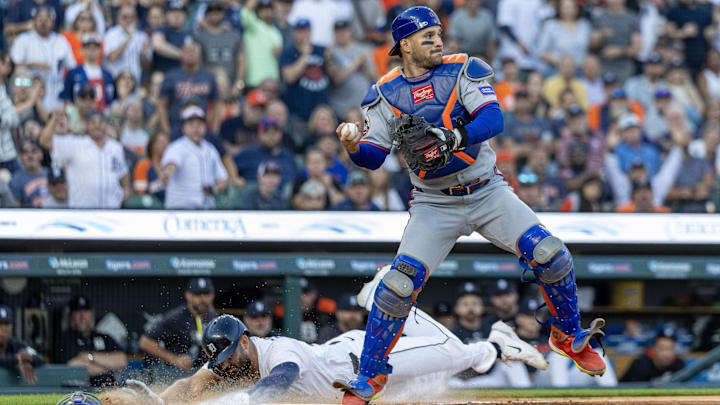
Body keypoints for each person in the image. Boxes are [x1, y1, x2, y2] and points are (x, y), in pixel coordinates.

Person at [333, 7, 606, 403]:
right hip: (433, 202)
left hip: (486, 190)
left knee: (552, 255)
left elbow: (493, 120)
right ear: (404, 45)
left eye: (439, 34)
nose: (438, 41)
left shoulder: (463, 68)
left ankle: (567, 335)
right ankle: (371, 377)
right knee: (395, 287)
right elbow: (374, 156)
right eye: (427, 37)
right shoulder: (383, 93)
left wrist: (452, 137)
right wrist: (354, 145)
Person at [115, 272, 546, 405]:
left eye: (228, 354)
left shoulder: (276, 350)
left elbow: (278, 381)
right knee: (450, 353)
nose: (225, 365)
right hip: (345, 357)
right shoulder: (226, 361)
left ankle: (495, 343)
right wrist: (159, 404)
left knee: (457, 355)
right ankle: (382, 297)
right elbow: (192, 384)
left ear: (244, 341)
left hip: (366, 363)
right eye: (220, 360)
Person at [39, 110, 130, 208]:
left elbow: (122, 172)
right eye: (93, 122)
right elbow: (45, 141)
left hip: (112, 210)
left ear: (106, 125)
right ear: (87, 125)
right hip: (82, 211)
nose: (97, 126)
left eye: (101, 122)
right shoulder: (75, 143)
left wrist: (126, 189)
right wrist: (54, 119)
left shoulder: (116, 147)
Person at [139, 278, 218, 384]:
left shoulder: (212, 316)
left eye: (206, 293)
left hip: (202, 373)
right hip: (177, 374)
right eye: (197, 294)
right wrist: (174, 359)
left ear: (212, 295)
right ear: (188, 295)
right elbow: (144, 342)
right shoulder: (176, 317)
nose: (202, 298)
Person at [161, 104, 228, 209]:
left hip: (206, 210)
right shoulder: (176, 147)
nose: (196, 128)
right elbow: (171, 164)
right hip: (180, 209)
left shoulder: (210, 149)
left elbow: (223, 179)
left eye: (200, 124)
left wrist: (214, 189)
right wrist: (168, 171)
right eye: (191, 124)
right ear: (183, 128)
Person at [10, 6, 76, 111]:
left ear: (53, 22)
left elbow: (72, 67)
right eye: (40, 19)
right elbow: (11, 66)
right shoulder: (23, 39)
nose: (43, 22)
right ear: (34, 21)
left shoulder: (61, 40)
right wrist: (33, 64)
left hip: (56, 93)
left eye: (47, 19)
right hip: (29, 93)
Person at [55, 296, 127, 387]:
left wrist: (90, 357)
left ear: (92, 314)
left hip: (109, 391)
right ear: (71, 315)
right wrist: (109, 368)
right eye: (78, 311)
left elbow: (122, 360)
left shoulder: (102, 336)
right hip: (79, 393)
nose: (82, 316)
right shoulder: (64, 338)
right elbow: (74, 366)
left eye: (86, 311)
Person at [159, 40, 221, 134]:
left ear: (199, 54)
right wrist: (166, 130)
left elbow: (217, 105)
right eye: (187, 51)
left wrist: (214, 130)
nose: (190, 54)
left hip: (201, 130)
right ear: (181, 53)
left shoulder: (209, 77)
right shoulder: (170, 76)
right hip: (177, 129)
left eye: (194, 51)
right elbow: (162, 105)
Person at [60, 33, 116, 111]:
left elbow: (112, 101)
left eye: (95, 47)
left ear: (100, 50)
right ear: (82, 49)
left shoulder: (108, 75)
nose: (91, 50)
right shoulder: (73, 73)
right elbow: (66, 99)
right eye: (88, 47)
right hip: (80, 117)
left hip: (103, 117)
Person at [195, 1, 244, 86]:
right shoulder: (199, 37)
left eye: (218, 12)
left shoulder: (234, 35)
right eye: (211, 12)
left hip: (232, 84)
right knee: (220, 76)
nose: (215, 15)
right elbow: (197, 64)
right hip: (208, 85)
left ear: (223, 14)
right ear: (206, 15)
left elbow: (241, 61)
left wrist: (239, 84)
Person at [103, 4, 152, 83]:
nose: (129, 20)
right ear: (118, 18)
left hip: (135, 82)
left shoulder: (143, 37)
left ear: (136, 19)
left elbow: (147, 67)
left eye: (132, 17)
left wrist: (143, 55)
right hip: (114, 82)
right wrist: (128, 39)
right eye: (125, 17)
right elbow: (111, 58)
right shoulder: (110, 34)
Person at [620, 326, 685, 383]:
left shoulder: (678, 365)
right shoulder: (641, 364)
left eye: (670, 349)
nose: (666, 354)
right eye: (662, 348)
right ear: (654, 349)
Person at [0, 305, 44, 384]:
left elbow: (39, 357)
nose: (3, 328)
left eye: (6, 324)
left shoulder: (16, 344)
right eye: (0, 324)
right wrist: (19, 359)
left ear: (11, 326)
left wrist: (27, 360)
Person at [151, 0, 190, 74]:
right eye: (173, 12)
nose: (177, 15)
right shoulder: (161, 29)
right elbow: (157, 45)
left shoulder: (187, 35)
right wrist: (181, 54)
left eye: (180, 12)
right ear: (166, 15)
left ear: (185, 16)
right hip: (163, 74)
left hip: (182, 76)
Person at [9, 139, 48, 208]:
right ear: (20, 157)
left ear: (41, 154)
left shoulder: (51, 174)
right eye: (25, 152)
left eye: (34, 151)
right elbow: (16, 210)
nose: (30, 155)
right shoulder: (15, 180)